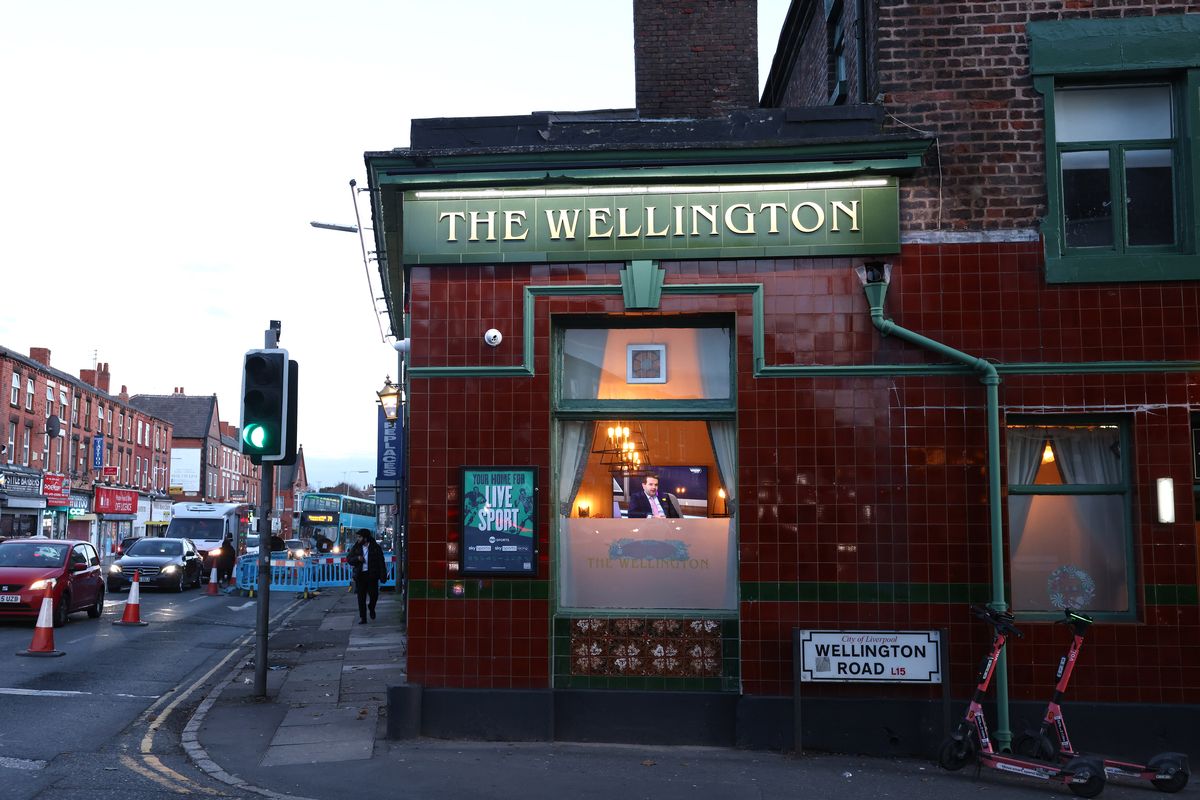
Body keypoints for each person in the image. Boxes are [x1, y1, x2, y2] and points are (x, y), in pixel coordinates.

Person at [346, 528, 384, 624]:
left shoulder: (376, 547)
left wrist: (382, 575)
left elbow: (381, 562)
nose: (358, 539)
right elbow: (349, 559)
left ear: (365, 538)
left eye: (360, 537)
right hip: (360, 575)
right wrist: (357, 558)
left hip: (372, 576)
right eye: (357, 537)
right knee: (361, 598)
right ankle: (363, 618)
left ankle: (371, 607)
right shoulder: (357, 547)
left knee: (374, 595)